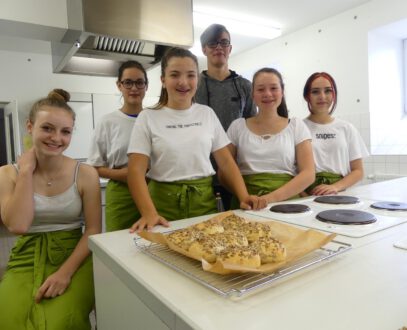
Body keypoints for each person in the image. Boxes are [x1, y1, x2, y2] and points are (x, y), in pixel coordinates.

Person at [127, 47, 266, 232]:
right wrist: (149, 213)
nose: (183, 82)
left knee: (204, 258)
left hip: (204, 206)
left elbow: (226, 162)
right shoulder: (148, 117)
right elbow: (135, 171)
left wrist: (243, 195)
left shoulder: (206, 114)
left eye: (190, 75)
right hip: (161, 208)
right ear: (163, 80)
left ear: (197, 80)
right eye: (175, 75)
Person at [0, 89, 101, 330]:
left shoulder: (86, 174)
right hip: (25, 255)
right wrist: (25, 171)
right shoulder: (7, 174)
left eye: (65, 131)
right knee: (9, 319)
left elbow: (93, 230)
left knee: (61, 321)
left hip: (75, 255)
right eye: (47, 128)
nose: (56, 138)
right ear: (30, 126)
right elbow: (18, 226)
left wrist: (65, 273)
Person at [225, 68, 315, 205]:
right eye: (260, 89)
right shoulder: (237, 126)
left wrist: (267, 199)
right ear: (253, 95)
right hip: (246, 202)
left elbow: (308, 174)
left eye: (273, 88)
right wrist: (245, 196)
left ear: (282, 92)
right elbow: (224, 171)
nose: (267, 94)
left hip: (287, 202)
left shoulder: (296, 126)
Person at [195, 23, 257, 210]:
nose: (219, 47)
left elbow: (250, 127)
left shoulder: (245, 86)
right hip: (202, 170)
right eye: (213, 43)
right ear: (204, 49)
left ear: (230, 48)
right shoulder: (193, 85)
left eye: (224, 43)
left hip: (235, 172)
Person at [87, 60, 147, 231]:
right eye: (128, 82)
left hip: (154, 191)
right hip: (122, 195)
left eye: (139, 82)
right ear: (119, 85)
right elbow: (94, 167)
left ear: (146, 86)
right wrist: (123, 174)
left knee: (154, 242)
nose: (134, 88)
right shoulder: (108, 122)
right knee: (120, 244)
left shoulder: (154, 119)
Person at [302, 72, 369, 195]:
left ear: (334, 95)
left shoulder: (346, 128)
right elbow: (291, 170)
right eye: (315, 92)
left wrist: (335, 187)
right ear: (307, 96)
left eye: (328, 91)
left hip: (340, 194)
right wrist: (303, 196)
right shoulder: (299, 128)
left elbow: (358, 171)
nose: (322, 96)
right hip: (307, 194)